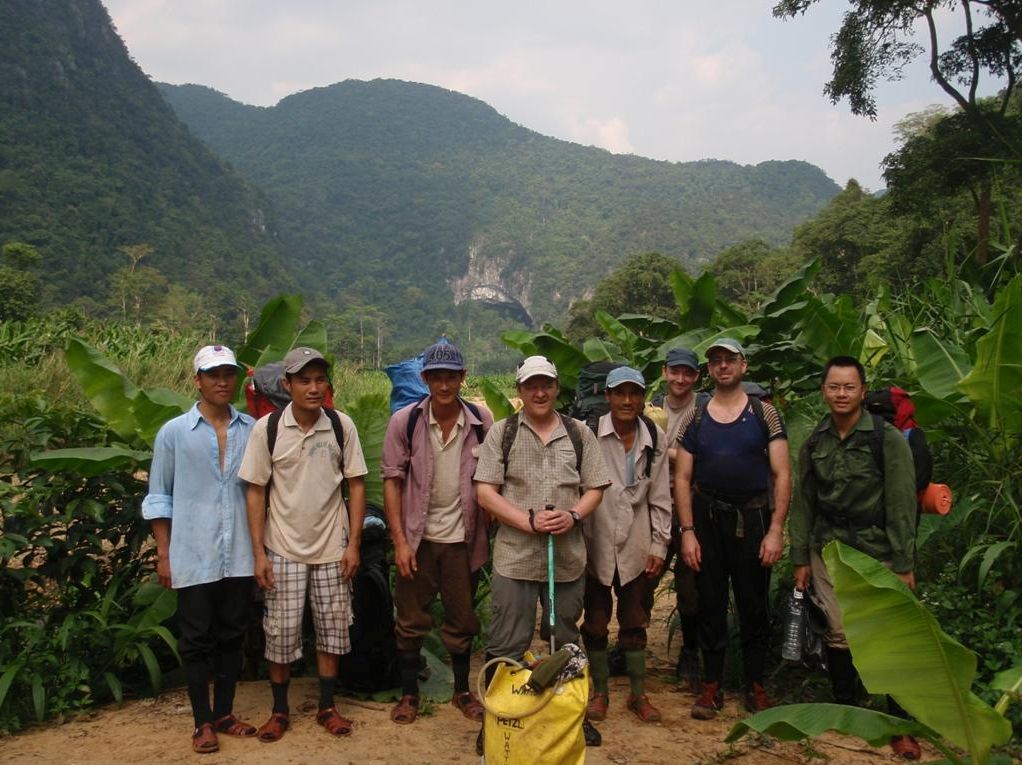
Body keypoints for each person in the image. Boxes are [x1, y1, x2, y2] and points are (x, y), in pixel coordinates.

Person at [473, 354, 610, 752]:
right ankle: (496, 719)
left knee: (565, 641)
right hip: (515, 556)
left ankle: (570, 718)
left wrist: (574, 515)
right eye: (531, 385)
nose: (539, 392)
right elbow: (485, 491)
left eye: (546, 384)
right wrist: (526, 521)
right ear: (519, 391)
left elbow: (595, 487)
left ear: (555, 388)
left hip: (566, 559)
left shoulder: (579, 433)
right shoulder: (503, 432)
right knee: (505, 642)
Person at [789, 356, 921, 760]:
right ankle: (847, 710)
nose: (841, 394)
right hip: (829, 548)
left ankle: (900, 725)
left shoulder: (886, 439)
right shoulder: (816, 441)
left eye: (849, 387)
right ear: (824, 391)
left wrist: (904, 562)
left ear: (862, 391)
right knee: (838, 630)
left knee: (890, 636)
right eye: (834, 387)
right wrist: (800, 558)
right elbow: (804, 503)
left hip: (878, 548)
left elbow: (901, 502)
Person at [239, 347, 368, 743]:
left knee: (333, 630)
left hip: (332, 548)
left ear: (328, 384)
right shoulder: (268, 429)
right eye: (304, 380)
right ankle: (280, 711)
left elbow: (356, 484)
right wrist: (259, 552)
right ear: (287, 385)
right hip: (283, 549)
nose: (313, 388)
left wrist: (354, 545)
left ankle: (328, 707)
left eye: (319, 380)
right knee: (279, 633)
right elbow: (256, 490)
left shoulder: (341, 425)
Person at [142, 344, 257, 754]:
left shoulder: (252, 429)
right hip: (192, 551)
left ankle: (224, 713)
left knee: (232, 635)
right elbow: (159, 496)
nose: (222, 381)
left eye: (228, 374)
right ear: (198, 381)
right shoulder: (174, 433)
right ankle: (201, 722)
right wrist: (163, 551)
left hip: (241, 553)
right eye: (213, 375)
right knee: (195, 639)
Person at [674, 339, 791, 719]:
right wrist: (688, 530)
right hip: (708, 517)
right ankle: (712, 686)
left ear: (743, 366)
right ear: (709, 369)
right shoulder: (698, 415)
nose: (723, 367)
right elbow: (683, 476)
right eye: (716, 361)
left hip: (753, 517)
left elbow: (782, 473)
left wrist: (776, 529)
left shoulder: (764, 414)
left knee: (752, 602)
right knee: (710, 601)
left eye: (729, 360)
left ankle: (756, 684)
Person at [380, 341, 492, 725]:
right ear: (425, 379)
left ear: (462, 378)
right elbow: (392, 482)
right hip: (419, 539)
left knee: (462, 620)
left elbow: (492, 480)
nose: (444, 385)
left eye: (451, 377)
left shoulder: (480, 422)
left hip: (464, 540)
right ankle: (409, 695)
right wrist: (399, 542)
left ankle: (462, 692)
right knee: (411, 618)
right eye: (436, 377)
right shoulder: (406, 422)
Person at [581, 367, 671, 724]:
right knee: (596, 622)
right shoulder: (589, 435)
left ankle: (638, 694)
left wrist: (660, 545)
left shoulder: (654, 436)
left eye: (634, 394)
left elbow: (661, 494)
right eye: (620, 393)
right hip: (596, 541)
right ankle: (599, 692)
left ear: (643, 397)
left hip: (637, 541)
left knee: (635, 621)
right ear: (608, 396)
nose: (627, 401)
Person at [659, 347, 702, 687]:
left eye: (687, 373)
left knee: (690, 585)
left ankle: (691, 653)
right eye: (675, 371)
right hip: (656, 506)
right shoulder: (651, 410)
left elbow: (704, 459)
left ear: (696, 377)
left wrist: (667, 453)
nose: (680, 379)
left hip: (691, 506)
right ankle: (630, 645)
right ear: (665, 372)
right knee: (641, 578)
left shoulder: (704, 411)